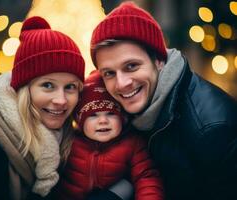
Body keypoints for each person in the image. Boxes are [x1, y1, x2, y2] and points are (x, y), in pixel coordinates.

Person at [90, 2, 237, 200]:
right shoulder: (114, 109)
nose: (122, 83)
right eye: (109, 73)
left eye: (132, 66)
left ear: (159, 60)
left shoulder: (211, 129)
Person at [0, 16, 85, 200]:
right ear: (24, 89)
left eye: (70, 87)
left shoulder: (66, 141)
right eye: (48, 85)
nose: (61, 100)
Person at [52, 71, 164, 200]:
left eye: (111, 113)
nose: (103, 121)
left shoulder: (132, 144)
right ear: (80, 121)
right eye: (93, 115)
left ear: (123, 117)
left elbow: (146, 177)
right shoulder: (70, 141)